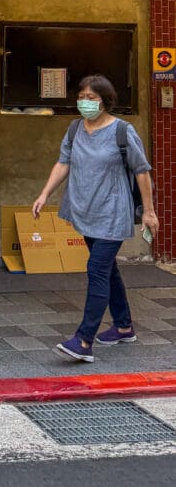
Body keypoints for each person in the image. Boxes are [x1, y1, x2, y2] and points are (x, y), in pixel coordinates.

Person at [33, 75, 157, 363]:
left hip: (113, 213)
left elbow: (142, 171)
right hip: (84, 210)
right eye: (82, 97)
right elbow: (63, 162)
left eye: (92, 98)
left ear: (106, 101)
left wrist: (149, 211)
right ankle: (124, 326)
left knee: (97, 269)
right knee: (107, 269)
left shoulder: (122, 131)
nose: (85, 103)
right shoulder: (75, 128)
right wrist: (44, 195)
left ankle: (84, 341)